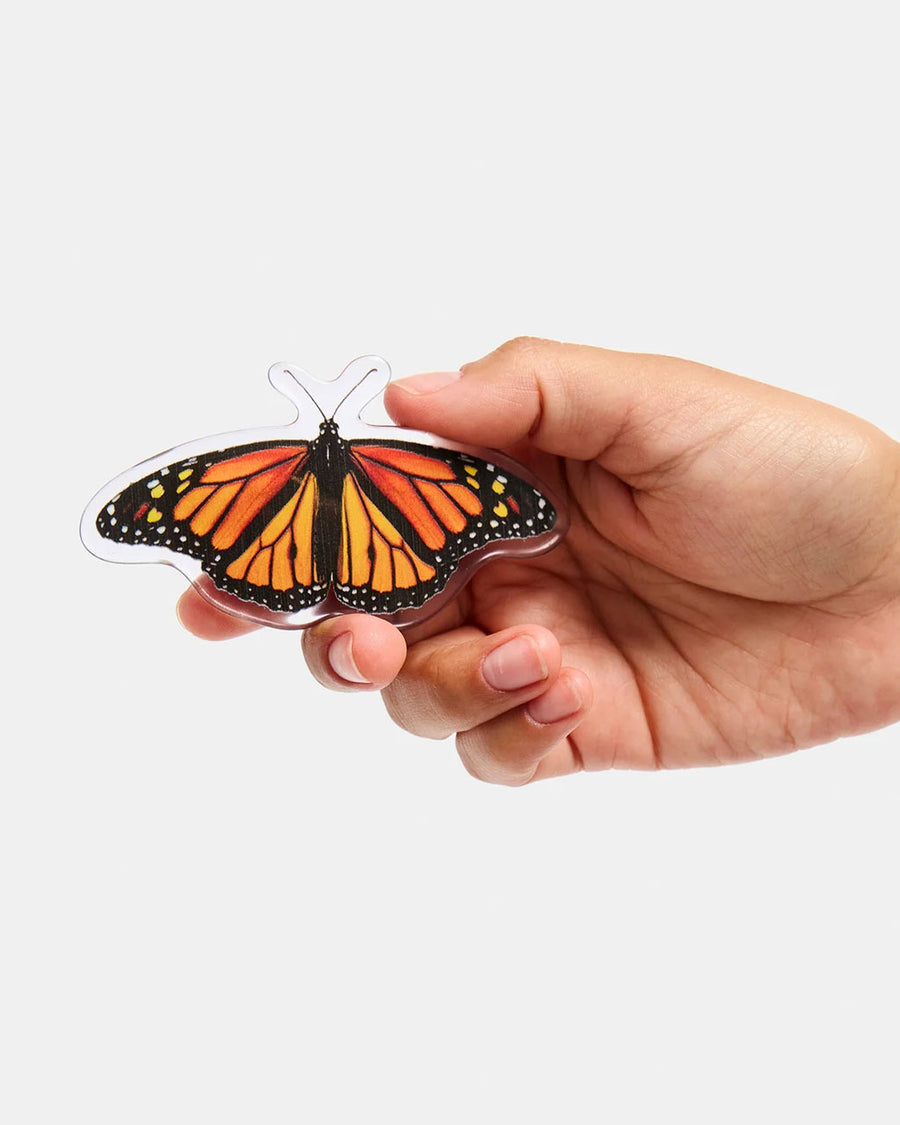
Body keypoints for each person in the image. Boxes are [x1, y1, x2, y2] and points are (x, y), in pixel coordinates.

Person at [176, 338, 900, 784]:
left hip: (295, 548)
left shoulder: (251, 470)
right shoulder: (406, 467)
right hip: (385, 548)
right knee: (367, 637)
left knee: (365, 637)